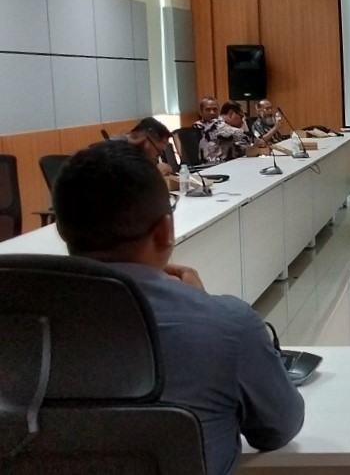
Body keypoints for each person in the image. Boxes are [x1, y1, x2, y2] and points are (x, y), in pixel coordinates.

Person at [52, 141, 305, 475]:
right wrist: (205, 307)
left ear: (60, 229)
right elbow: (279, 428)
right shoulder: (229, 325)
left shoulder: (22, 324)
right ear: (165, 231)